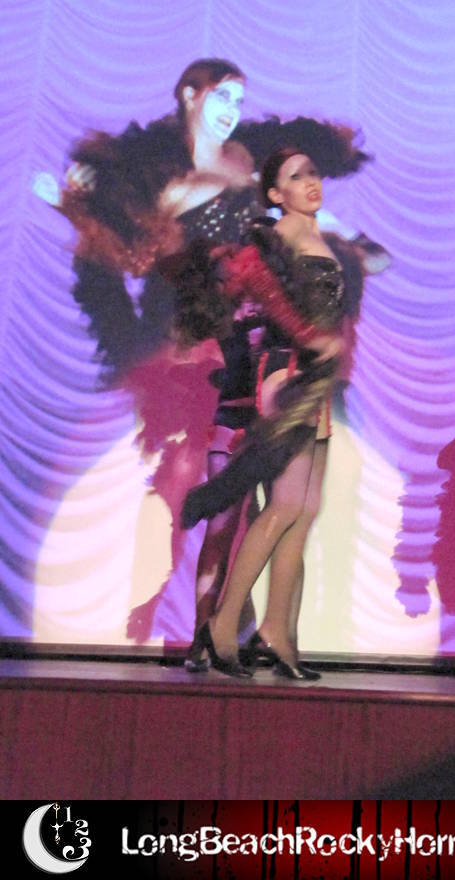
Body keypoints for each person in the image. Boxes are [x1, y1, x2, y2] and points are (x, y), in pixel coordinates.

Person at [36, 59, 375, 659]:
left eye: (240, 99)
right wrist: (77, 211)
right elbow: (138, 260)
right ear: (190, 95)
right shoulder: (164, 184)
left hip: (269, 342)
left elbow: (296, 247)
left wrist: (338, 245)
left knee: (287, 500)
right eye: (222, 96)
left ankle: (259, 631)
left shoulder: (250, 163)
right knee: (219, 500)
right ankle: (209, 630)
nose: (232, 110)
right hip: (202, 351)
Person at [181, 147, 367, 679]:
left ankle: (278, 633)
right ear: (274, 193)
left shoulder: (319, 234)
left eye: (314, 172)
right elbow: (259, 285)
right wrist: (309, 337)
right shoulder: (281, 234)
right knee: (284, 506)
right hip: (287, 374)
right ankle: (221, 626)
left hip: (317, 381)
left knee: (305, 510)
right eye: (295, 176)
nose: (310, 181)